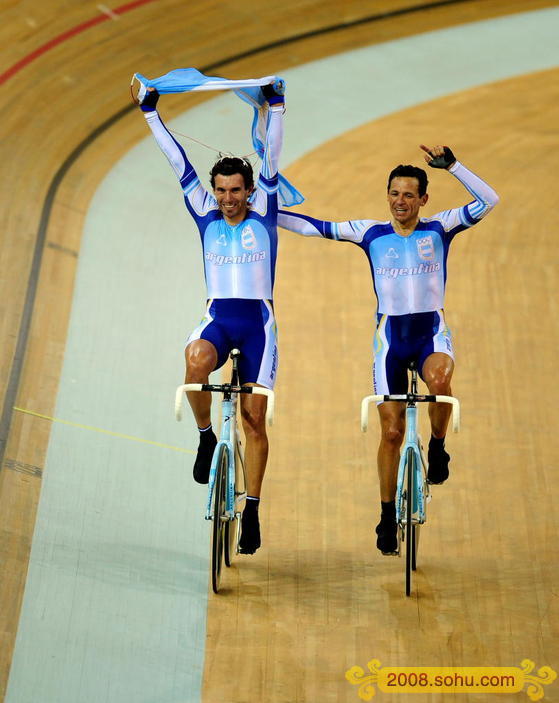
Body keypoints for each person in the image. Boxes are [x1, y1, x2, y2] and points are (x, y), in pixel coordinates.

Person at [277, 145, 499, 554]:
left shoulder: (440, 227)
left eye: (409, 195)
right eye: (394, 194)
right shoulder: (370, 233)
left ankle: (436, 446)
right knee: (392, 432)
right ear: (388, 196)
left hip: (431, 332)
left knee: (440, 378)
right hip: (390, 340)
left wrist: (453, 166)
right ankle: (384, 516)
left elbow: (489, 200)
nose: (400, 202)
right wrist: (263, 211)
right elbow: (313, 227)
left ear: (423, 200)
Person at [138, 80, 285, 554]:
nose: (226, 198)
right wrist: (151, 114)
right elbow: (177, 162)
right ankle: (205, 438)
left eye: (234, 190)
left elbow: (272, 160)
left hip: (258, 325)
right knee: (195, 360)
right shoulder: (204, 212)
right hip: (218, 318)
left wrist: (277, 106)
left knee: (254, 419)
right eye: (220, 190)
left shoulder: (264, 210)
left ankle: (255, 511)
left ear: (248, 190)